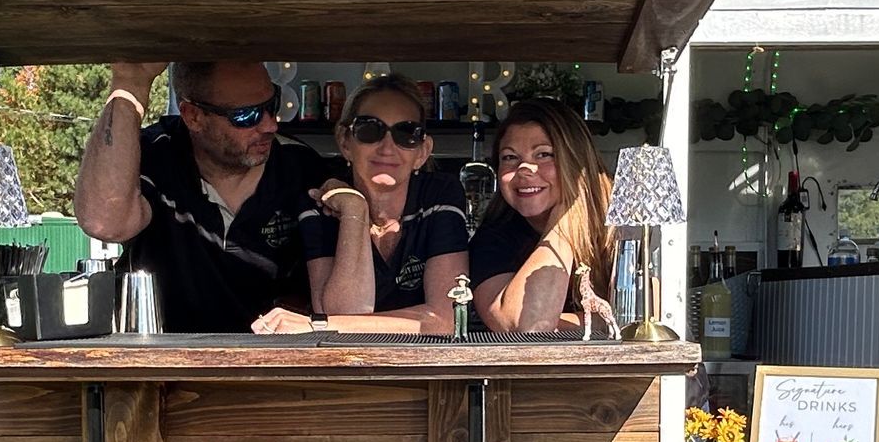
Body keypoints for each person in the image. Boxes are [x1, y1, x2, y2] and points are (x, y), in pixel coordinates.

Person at [73, 60, 329, 333]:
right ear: (193, 116)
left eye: (272, 104)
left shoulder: (301, 167)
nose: (270, 125)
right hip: (164, 361)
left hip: (275, 362)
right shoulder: (154, 155)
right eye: (246, 115)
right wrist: (130, 82)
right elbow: (104, 223)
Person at [251, 74, 469, 334]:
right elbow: (346, 312)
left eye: (407, 133)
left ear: (422, 151)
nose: (387, 147)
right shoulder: (320, 203)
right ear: (345, 141)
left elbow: (446, 319)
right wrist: (356, 210)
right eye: (370, 130)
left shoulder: (439, 194)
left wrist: (318, 325)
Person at [470, 99, 614, 333]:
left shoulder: (619, 226)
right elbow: (525, 328)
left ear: (577, 162)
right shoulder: (494, 238)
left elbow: (643, 317)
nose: (525, 170)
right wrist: (566, 215)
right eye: (510, 157)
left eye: (544, 154)